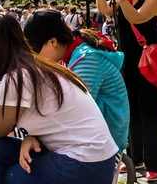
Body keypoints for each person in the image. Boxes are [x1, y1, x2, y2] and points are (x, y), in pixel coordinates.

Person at [0, 13, 117, 184]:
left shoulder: (16, 78)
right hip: (98, 161)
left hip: (81, 165)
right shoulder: (33, 67)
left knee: (10, 175)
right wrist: (32, 137)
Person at [23, 9, 129, 159]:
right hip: (93, 134)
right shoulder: (74, 52)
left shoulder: (86, 59)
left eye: (36, 51)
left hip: (103, 142)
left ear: (53, 42)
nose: (35, 58)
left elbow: (71, 110)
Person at [96, 0, 157, 182]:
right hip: (128, 61)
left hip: (148, 63)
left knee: (150, 113)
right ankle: (135, 158)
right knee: (131, 111)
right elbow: (103, 8)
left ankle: (154, 163)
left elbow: (137, 16)